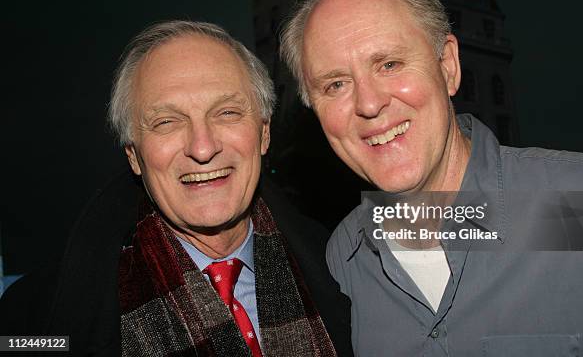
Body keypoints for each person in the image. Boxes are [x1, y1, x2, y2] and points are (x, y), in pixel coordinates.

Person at [279, 0, 583, 357]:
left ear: (448, 65)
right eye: (335, 84)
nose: (368, 104)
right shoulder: (345, 259)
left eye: (389, 64)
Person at [0, 21, 352, 356]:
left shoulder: (342, 269)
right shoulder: (36, 320)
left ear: (264, 133)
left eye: (227, 113)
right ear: (134, 155)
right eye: (166, 122)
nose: (202, 147)